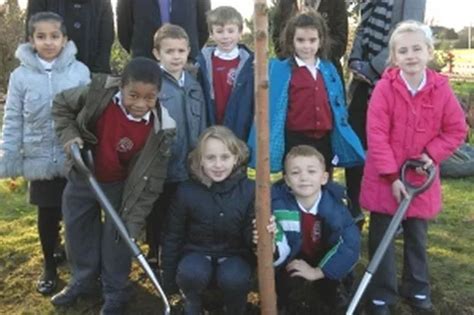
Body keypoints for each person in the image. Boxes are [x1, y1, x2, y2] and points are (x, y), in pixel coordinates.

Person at [50, 57, 176, 315]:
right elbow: (61, 106)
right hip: (84, 173)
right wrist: (70, 136)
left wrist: (135, 220)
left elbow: (152, 182)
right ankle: (83, 280)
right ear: (121, 86)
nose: (140, 104)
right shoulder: (98, 93)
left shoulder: (163, 128)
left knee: (118, 237)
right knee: (77, 228)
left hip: (122, 186)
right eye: (133, 95)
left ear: (159, 95)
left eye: (149, 97)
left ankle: (116, 289)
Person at [360, 21, 467, 315]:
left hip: (420, 179)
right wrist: (392, 176)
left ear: (429, 52)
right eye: (403, 50)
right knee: (382, 238)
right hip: (386, 180)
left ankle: (417, 289)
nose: (410, 55)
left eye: (417, 49)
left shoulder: (440, 90)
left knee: (416, 238)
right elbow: (377, 134)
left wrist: (432, 154)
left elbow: (456, 129)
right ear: (394, 57)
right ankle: (382, 293)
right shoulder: (384, 89)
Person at [0, 12, 90, 295]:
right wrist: (9, 154)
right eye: (41, 37)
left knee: (74, 211)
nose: (48, 42)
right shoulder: (20, 76)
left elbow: (88, 115)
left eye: (54, 36)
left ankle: (81, 263)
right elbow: (13, 117)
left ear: (65, 39)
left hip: (71, 155)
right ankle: (49, 264)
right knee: (48, 213)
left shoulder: (79, 71)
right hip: (38, 155)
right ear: (31, 40)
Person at [247, 10, 364, 180]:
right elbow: (274, 105)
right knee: (296, 181)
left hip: (324, 139)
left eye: (312, 40)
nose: (306, 46)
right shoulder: (282, 70)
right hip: (295, 138)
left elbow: (337, 103)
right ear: (291, 41)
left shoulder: (328, 69)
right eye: (300, 40)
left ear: (321, 41)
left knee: (322, 182)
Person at [345, 0, 427, 221]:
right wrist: (355, 59)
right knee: (354, 141)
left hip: (392, 79)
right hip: (362, 82)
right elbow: (363, 26)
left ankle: (392, 211)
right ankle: (354, 206)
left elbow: (409, 31)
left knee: (390, 145)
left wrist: (373, 68)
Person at [161, 126, 255, 315]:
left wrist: (256, 242)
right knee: (191, 272)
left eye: (225, 157)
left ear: (236, 158)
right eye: (210, 158)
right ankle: (192, 306)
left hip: (235, 254)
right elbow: (173, 235)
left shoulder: (249, 190)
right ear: (200, 160)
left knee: (234, 277)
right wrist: (168, 279)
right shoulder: (186, 190)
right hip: (197, 252)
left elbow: (250, 232)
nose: (218, 164)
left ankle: (236, 309)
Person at [266, 145, 360, 313]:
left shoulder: (336, 207)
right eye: (295, 173)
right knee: (286, 284)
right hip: (293, 256)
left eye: (311, 171)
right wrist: (274, 246)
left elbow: (350, 244)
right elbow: (276, 237)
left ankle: (333, 292)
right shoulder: (277, 205)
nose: (304, 178)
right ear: (286, 180)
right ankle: (285, 302)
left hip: (325, 256)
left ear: (324, 177)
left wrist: (318, 272)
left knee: (332, 291)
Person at [144, 24, 207, 264]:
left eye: (181, 51)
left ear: (188, 50)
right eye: (169, 51)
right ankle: (154, 250)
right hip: (164, 161)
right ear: (157, 53)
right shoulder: (153, 84)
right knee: (159, 207)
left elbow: (201, 118)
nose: (176, 56)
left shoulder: (193, 83)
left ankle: (180, 248)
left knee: (183, 208)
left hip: (190, 161)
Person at [196, 6, 255, 142]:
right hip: (212, 121)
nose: (225, 36)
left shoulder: (250, 64)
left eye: (230, 31)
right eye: (219, 31)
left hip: (239, 124)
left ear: (240, 32)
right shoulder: (202, 62)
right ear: (211, 33)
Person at [26, 0, 114, 73]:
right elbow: (34, 41)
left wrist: (94, 82)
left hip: (91, 80)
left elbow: (104, 47)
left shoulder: (102, 3)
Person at [271, 0, 348, 79]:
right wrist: (297, 61)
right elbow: (277, 38)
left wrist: (313, 60)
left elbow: (340, 42)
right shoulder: (285, 2)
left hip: (327, 75)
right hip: (290, 74)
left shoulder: (336, 2)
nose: (306, 46)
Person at [116, 0, 210, 61]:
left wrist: (186, 52)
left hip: (185, 61)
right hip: (145, 60)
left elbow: (204, 25)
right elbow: (124, 26)